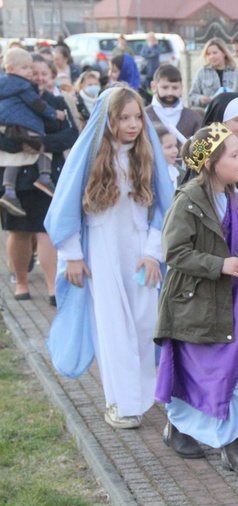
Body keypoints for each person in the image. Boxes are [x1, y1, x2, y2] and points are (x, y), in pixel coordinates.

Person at [44, 85, 174, 427]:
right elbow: (67, 205)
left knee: (146, 321)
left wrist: (151, 253)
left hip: (140, 252)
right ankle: (122, 402)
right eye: (123, 118)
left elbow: (165, 205)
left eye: (137, 117)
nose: (132, 125)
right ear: (108, 119)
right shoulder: (87, 157)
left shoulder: (145, 153)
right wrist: (71, 254)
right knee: (112, 325)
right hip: (101, 251)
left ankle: (143, 392)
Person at [155, 123, 238, 474]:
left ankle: (187, 430)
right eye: (234, 155)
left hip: (232, 303)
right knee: (212, 374)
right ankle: (229, 447)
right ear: (211, 162)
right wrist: (218, 264)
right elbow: (174, 252)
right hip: (196, 305)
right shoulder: (189, 200)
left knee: (231, 371)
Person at [1, 52, 78, 303]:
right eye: (33, 73)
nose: (38, 77)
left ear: (50, 75)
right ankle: (21, 282)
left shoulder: (55, 103)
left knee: (48, 231)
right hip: (17, 177)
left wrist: (42, 144)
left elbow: (71, 135)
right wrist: (20, 146)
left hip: (48, 176)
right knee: (19, 231)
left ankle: (53, 288)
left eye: (43, 73)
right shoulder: (10, 98)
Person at [0, 48, 67, 217]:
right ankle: (44, 177)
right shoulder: (23, 86)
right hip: (22, 126)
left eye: (42, 72)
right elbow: (37, 104)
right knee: (39, 141)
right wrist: (54, 114)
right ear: (11, 69)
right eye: (29, 69)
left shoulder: (4, 83)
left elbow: (71, 135)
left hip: (7, 124)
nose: (33, 75)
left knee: (14, 159)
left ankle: (9, 190)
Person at [145, 64, 203, 142]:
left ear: (181, 87)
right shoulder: (144, 116)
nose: (170, 93)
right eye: (165, 87)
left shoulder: (193, 118)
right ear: (154, 87)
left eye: (175, 88)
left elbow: (201, 148)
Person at [188, 38, 238, 109]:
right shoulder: (202, 73)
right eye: (208, 54)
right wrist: (200, 99)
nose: (212, 57)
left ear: (224, 53)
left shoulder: (235, 71)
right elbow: (192, 96)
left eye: (215, 53)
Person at [153, 123, 183, 189]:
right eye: (169, 147)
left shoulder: (180, 174)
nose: (175, 150)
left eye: (175, 146)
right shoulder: (147, 175)